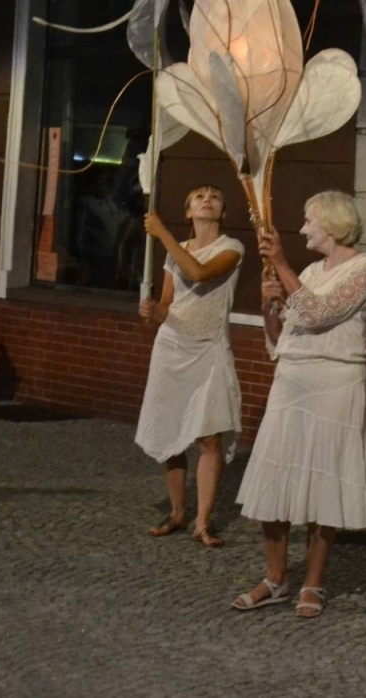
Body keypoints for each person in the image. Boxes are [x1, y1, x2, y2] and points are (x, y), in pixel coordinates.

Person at [233, 191, 366, 620]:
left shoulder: (364, 268)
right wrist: (268, 304)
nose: (301, 230)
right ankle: (275, 578)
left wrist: (280, 263)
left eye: (309, 221)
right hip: (292, 381)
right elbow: (282, 338)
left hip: (336, 384)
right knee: (274, 478)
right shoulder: (312, 270)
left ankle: (313, 582)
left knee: (323, 482)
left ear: (332, 224)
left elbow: (319, 313)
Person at [134, 185, 244, 547]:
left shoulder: (231, 248)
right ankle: (178, 512)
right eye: (198, 196)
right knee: (172, 430)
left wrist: (161, 232)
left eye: (215, 195)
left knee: (209, 436)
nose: (207, 198)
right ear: (188, 211)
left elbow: (198, 274)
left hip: (209, 348)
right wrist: (154, 312)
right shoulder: (174, 252)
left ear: (223, 212)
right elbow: (169, 303)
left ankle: (203, 522)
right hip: (172, 347)